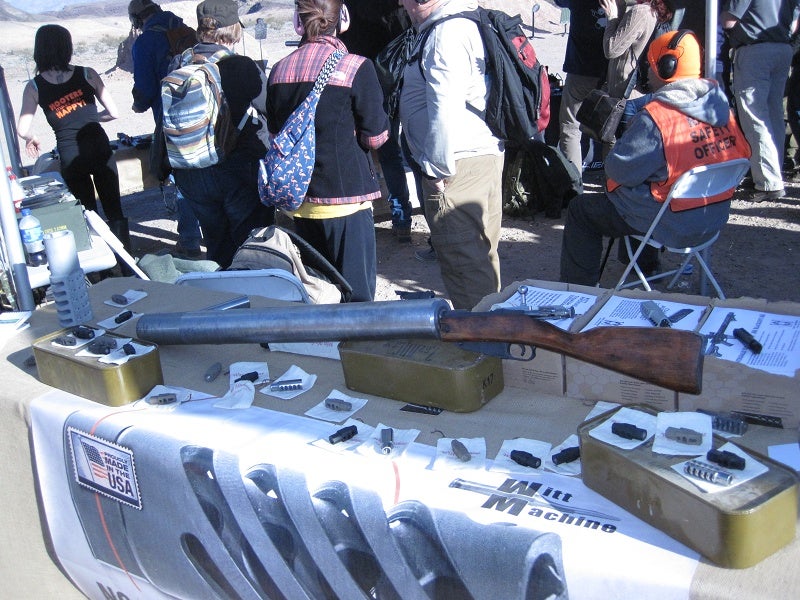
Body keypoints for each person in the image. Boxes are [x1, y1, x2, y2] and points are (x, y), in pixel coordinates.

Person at [559, 30, 752, 286]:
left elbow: (618, 170)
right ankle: (645, 267)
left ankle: (577, 291)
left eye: (650, 65)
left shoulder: (659, 117)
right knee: (652, 184)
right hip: (712, 220)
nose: (647, 71)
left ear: (666, 67)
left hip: (671, 223)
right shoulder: (723, 108)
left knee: (582, 210)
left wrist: (622, 143)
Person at [266, 0, 389, 302]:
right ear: (342, 18)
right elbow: (376, 138)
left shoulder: (279, 71)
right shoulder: (357, 67)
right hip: (347, 201)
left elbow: (275, 136)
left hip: (301, 202)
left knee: (319, 293)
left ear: (298, 21)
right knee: (357, 298)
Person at [398, 0, 504, 310]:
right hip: (476, 157)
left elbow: (445, 108)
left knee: (467, 270)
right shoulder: (460, 23)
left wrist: (434, 172)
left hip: (456, 166)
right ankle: (492, 337)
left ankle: (482, 347)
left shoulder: (446, 33)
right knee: (481, 261)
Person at [170, 0, 274, 269]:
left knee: (217, 243)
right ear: (234, 29)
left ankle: (226, 298)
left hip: (192, 171)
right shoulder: (240, 65)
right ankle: (256, 301)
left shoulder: (178, 62)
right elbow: (269, 109)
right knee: (251, 246)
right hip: (237, 169)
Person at [17, 24, 130, 248]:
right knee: (114, 210)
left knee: (87, 213)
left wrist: (32, 137)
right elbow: (114, 113)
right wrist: (91, 118)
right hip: (99, 147)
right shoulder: (87, 73)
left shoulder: (34, 87)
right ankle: (127, 262)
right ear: (67, 47)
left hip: (70, 154)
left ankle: (104, 270)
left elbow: (22, 128)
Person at [128, 0, 203, 259]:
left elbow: (145, 90)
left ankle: (191, 241)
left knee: (183, 180)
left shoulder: (145, 42)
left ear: (137, 19)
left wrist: (139, 103)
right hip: (206, 114)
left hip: (172, 121)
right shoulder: (186, 30)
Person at [339, 1, 417, 242]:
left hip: (370, 83)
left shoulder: (350, 7)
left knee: (387, 153)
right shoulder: (399, 7)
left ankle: (400, 218)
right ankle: (426, 224)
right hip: (407, 77)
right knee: (416, 151)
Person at [721, 0, 800, 203]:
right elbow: (794, 23)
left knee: (754, 117)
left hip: (754, 50)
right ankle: (772, 174)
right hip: (782, 48)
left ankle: (768, 182)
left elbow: (729, 21)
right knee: (774, 116)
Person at [554, 0, 609, 172]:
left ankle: (574, 181)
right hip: (609, 71)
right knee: (612, 129)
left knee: (570, 127)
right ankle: (612, 182)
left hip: (580, 69)